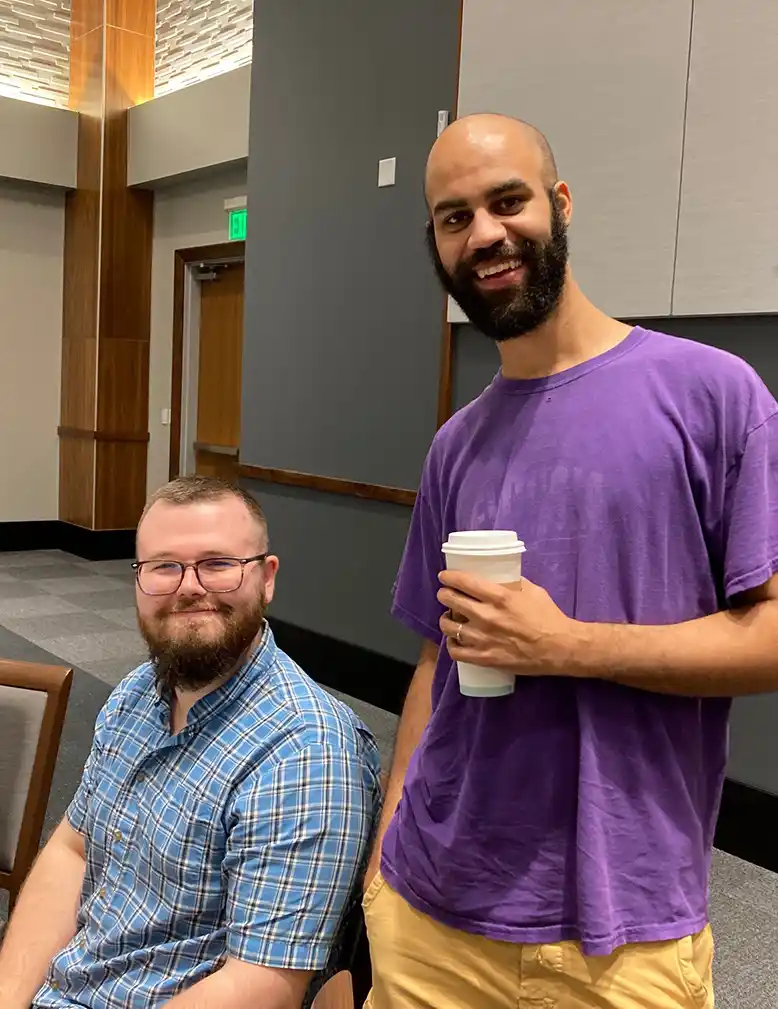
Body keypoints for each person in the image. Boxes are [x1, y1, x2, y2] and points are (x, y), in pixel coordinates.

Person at [362, 112, 778, 1008]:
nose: (485, 234)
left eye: (507, 201)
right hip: (430, 913)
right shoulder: (456, 445)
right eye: (454, 216)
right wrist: (385, 856)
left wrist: (567, 644)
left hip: (621, 933)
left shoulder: (711, 395)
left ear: (560, 202)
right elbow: (439, 653)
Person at [0, 476, 381, 1009]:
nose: (189, 586)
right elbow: (73, 850)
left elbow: (260, 986)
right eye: (164, 566)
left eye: (218, 564)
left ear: (267, 578)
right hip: (68, 985)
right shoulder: (137, 695)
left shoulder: (306, 752)